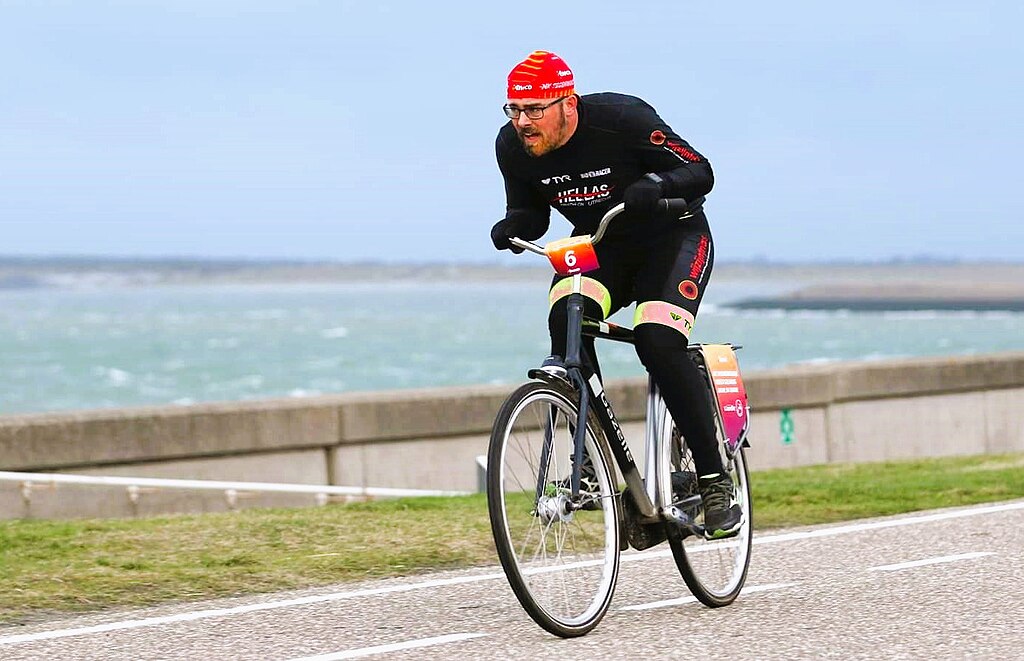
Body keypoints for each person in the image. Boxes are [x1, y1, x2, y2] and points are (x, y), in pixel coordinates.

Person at [490, 50, 741, 538]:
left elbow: (700, 171)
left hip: (673, 237)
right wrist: (512, 226)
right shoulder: (512, 146)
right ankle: (588, 463)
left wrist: (656, 183)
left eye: (534, 109)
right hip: (602, 246)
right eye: (514, 110)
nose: (522, 122)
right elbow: (531, 213)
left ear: (568, 103)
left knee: (656, 340)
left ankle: (714, 481)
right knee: (566, 320)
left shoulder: (621, 118)